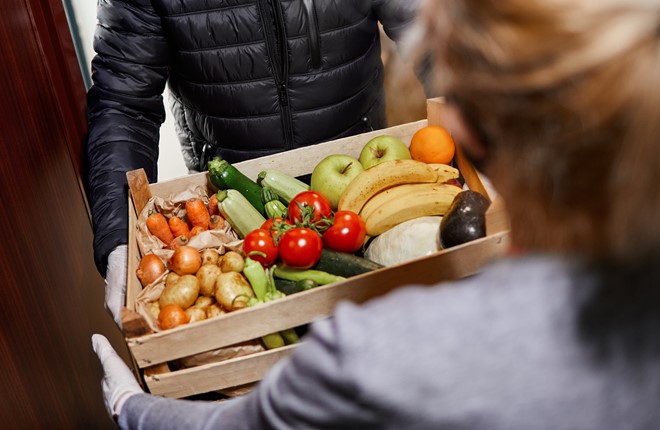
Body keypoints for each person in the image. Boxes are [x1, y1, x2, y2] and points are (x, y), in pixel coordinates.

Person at [93, 0, 660, 428]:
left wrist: (130, 407)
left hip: (362, 182)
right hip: (231, 209)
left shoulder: (375, 350)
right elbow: (122, 99)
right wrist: (119, 237)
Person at [85, 0, 423, 327]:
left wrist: (476, 138)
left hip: (365, 191)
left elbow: (438, 34)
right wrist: (120, 238)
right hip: (232, 217)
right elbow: (124, 105)